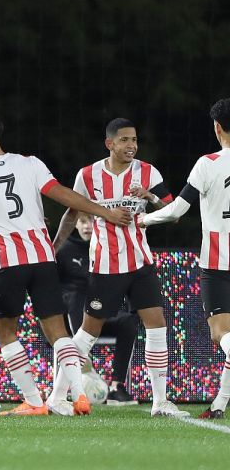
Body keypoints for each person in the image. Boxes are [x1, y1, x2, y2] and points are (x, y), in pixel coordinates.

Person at [0, 112, 132, 416]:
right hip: (43, 258)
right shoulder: (31, 163)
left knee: (5, 331)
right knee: (58, 331)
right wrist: (103, 213)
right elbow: (65, 195)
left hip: (8, 260)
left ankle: (34, 401)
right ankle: (79, 396)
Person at [53, 117, 188, 417]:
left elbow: (173, 212)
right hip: (105, 266)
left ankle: (160, 402)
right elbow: (72, 215)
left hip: (141, 262)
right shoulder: (88, 176)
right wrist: (54, 247)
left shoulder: (147, 172)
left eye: (135, 140)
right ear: (109, 143)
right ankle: (57, 395)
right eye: (125, 140)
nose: (132, 146)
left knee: (157, 326)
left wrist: (149, 196)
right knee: (87, 334)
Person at [140, 98, 230, 419]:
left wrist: (142, 220)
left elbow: (178, 209)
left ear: (217, 127)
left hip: (218, 261)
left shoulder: (208, 163)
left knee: (221, 334)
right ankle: (219, 404)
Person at [57, 212, 139, 405]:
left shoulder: (107, 248)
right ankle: (79, 376)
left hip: (100, 312)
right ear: (74, 224)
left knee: (128, 319)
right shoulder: (62, 250)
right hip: (70, 319)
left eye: (91, 221)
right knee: (75, 296)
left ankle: (116, 386)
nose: (86, 226)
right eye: (82, 221)